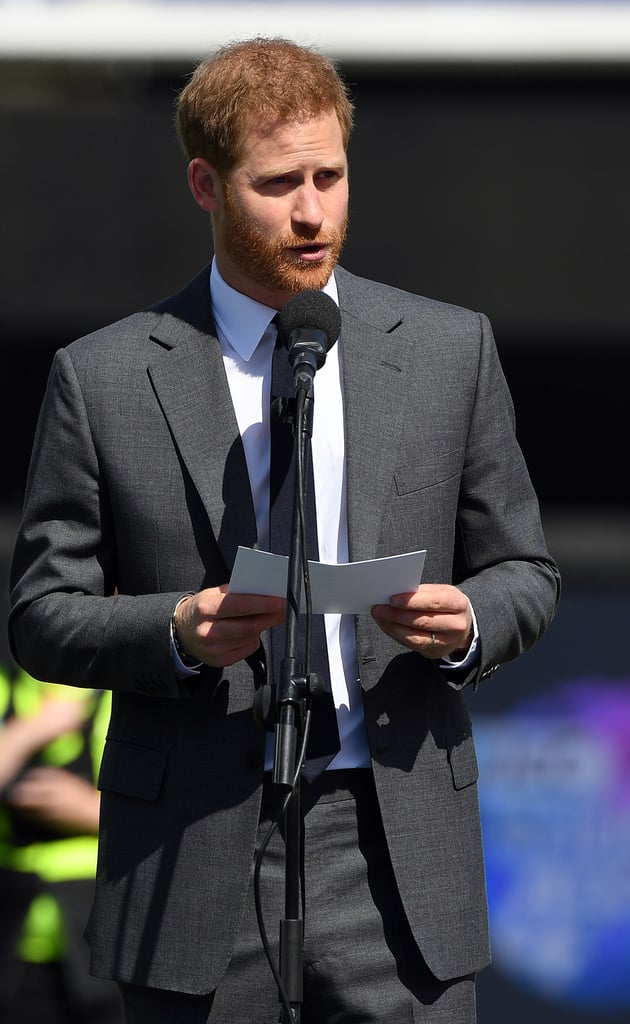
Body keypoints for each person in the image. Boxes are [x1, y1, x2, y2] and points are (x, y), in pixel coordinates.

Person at [8, 36, 560, 1024]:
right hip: (192, 855)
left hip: (395, 847)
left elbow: (524, 568)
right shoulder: (102, 378)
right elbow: (43, 613)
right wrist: (176, 630)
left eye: (330, 176)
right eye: (278, 184)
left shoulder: (447, 351)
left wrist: (468, 620)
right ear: (205, 185)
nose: (313, 212)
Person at [0, 670, 124, 1023]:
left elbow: (160, 818)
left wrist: (84, 809)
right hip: (17, 930)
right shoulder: (7, 685)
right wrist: (29, 733)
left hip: (99, 924)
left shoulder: (120, 695)